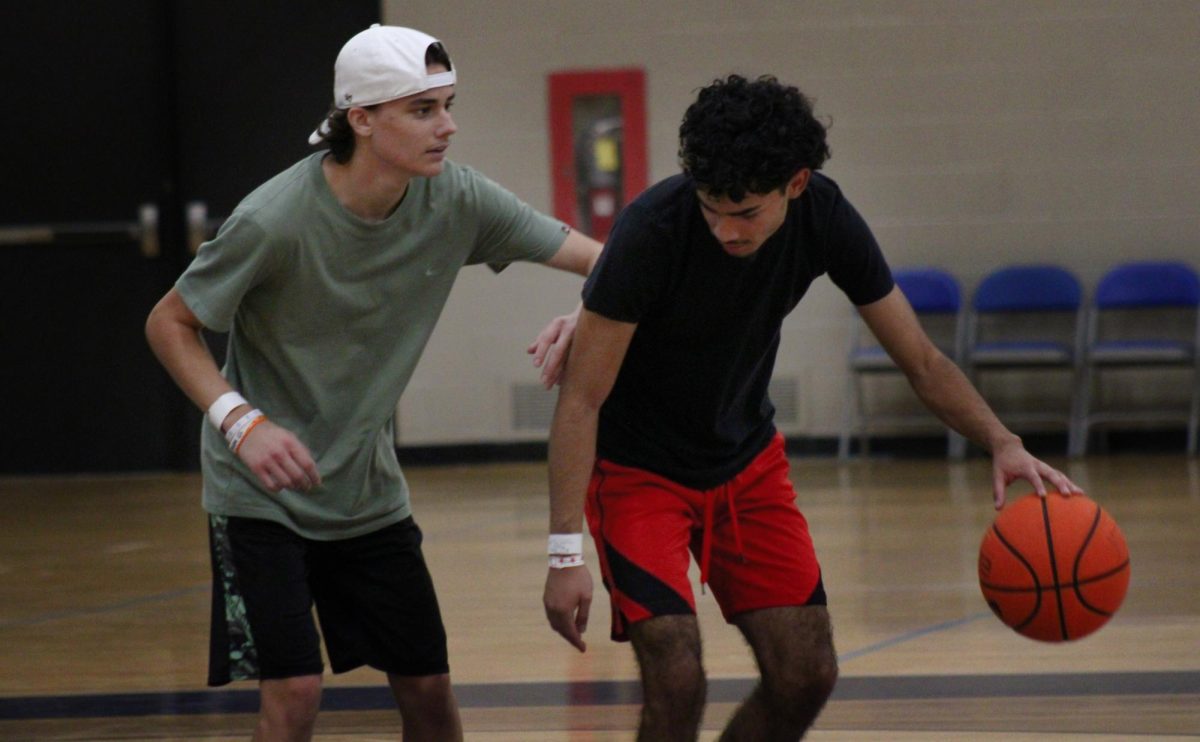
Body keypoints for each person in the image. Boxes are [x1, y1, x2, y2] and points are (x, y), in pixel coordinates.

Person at [541, 74, 1082, 741]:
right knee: (677, 679)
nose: (724, 230)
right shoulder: (653, 229)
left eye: (745, 213)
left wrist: (1002, 441)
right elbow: (581, 397)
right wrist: (565, 555)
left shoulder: (824, 216)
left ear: (795, 184)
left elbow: (922, 360)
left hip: (745, 464)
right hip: (638, 472)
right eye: (711, 207)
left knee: (806, 672)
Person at [145, 24, 600, 741]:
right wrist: (243, 423)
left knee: (427, 688)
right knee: (294, 695)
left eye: (449, 104)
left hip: (367, 492)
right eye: (423, 110)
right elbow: (169, 323)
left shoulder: (459, 199)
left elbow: (605, 262)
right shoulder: (273, 219)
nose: (447, 126)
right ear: (360, 118)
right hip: (259, 498)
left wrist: (583, 315)